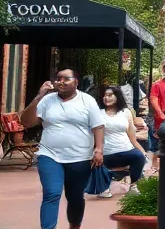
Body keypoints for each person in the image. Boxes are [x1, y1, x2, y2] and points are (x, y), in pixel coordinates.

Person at [21, 67, 105, 229]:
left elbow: (98, 126)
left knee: (75, 197)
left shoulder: (87, 100)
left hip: (80, 157)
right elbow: (26, 122)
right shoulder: (47, 100)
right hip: (49, 155)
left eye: (66, 79)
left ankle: (74, 225)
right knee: (51, 193)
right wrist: (39, 96)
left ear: (76, 82)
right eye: (58, 79)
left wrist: (99, 149)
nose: (61, 82)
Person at [98, 86, 148, 198]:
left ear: (117, 96)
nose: (106, 98)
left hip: (126, 150)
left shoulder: (126, 112)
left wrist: (142, 151)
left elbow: (132, 138)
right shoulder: (98, 114)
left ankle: (133, 186)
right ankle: (104, 186)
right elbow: (95, 136)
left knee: (139, 156)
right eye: (105, 95)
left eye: (110, 95)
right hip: (107, 153)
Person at [147, 61, 165, 175]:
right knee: (156, 142)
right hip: (159, 119)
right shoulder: (158, 84)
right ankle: (153, 166)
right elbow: (153, 99)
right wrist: (160, 113)